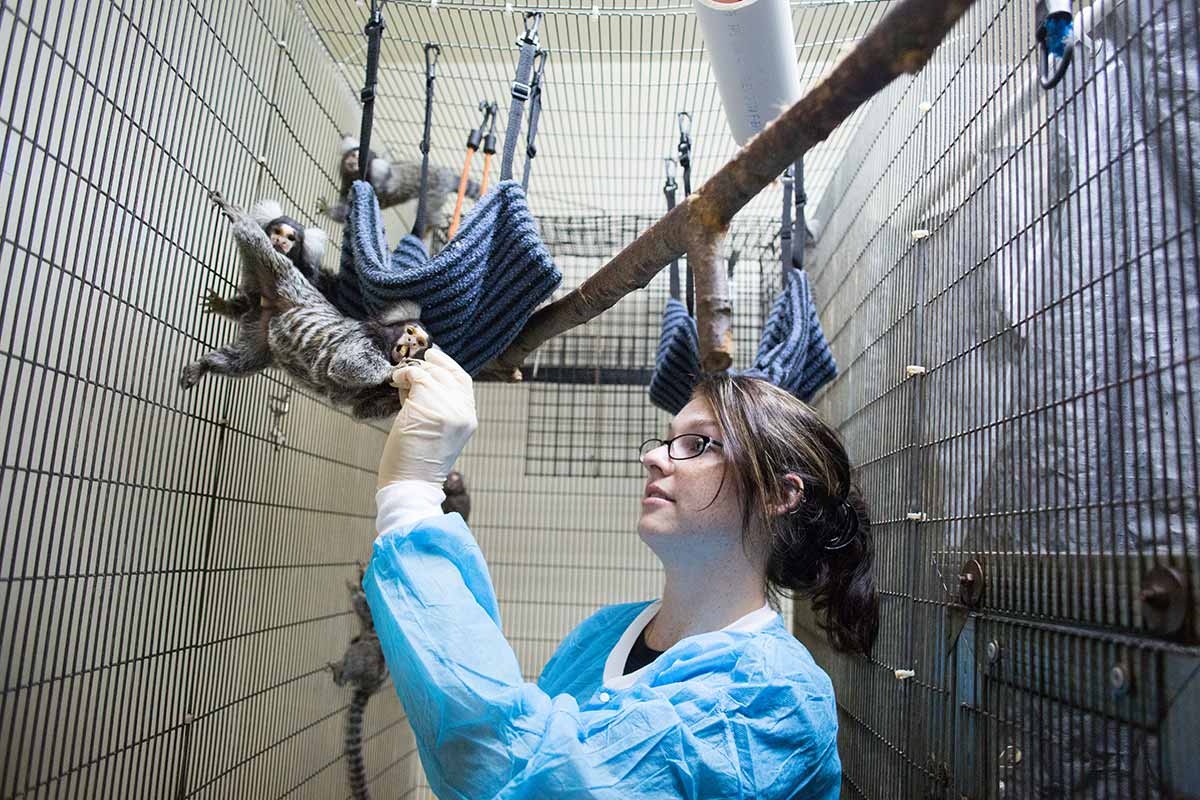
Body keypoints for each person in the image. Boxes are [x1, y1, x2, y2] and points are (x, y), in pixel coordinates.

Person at [364, 349, 879, 799]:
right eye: (664, 440)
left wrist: (410, 495)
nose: (654, 457)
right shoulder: (603, 634)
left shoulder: (775, 700)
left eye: (698, 444)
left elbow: (525, 776)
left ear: (777, 495)